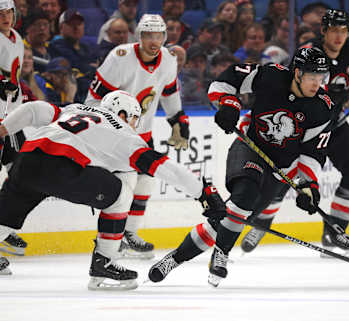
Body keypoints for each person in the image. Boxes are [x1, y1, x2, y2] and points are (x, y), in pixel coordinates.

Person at [148, 47, 338, 287]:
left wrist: (308, 186)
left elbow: (313, 152)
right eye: (313, 77)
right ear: (297, 73)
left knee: (229, 218)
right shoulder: (270, 76)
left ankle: (173, 259)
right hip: (249, 146)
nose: (317, 83)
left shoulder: (323, 107)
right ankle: (222, 253)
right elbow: (224, 82)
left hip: (281, 169)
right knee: (244, 196)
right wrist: (229, 106)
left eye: (322, 78)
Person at [0, 90, 227, 287]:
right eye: (134, 118)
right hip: (61, 166)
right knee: (121, 194)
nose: (134, 125)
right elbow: (163, 167)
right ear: (122, 114)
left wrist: (3, 128)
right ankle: (104, 262)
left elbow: (33, 109)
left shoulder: (75, 108)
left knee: (7, 215)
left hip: (27, 158)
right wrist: (202, 191)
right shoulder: (124, 133)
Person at [240, 9, 349, 257]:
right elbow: (286, 83)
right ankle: (263, 223)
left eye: (343, 31)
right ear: (324, 31)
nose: (339, 36)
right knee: (286, 177)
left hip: (334, 124)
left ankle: (334, 234)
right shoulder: (309, 54)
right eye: (333, 30)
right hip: (303, 126)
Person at [85, 14, 189, 259]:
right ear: (139, 37)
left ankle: (128, 235)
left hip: (142, 135)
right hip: (113, 135)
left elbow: (170, 92)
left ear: (165, 37)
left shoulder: (169, 60)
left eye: (158, 35)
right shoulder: (120, 57)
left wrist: (179, 120)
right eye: (148, 35)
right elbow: (93, 98)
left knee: (145, 182)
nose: (154, 41)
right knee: (121, 189)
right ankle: (109, 239)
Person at [0, 0, 29, 257]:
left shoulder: (16, 38)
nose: (5, 17)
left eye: (8, 12)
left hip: (11, 119)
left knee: (20, 171)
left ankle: (4, 228)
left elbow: (13, 77)